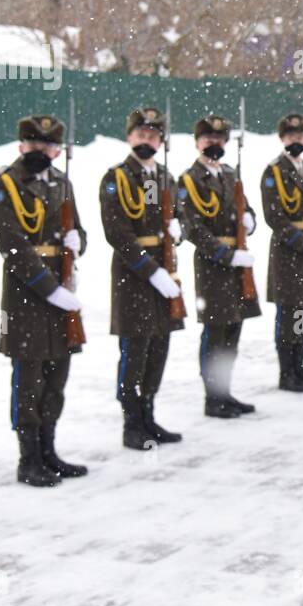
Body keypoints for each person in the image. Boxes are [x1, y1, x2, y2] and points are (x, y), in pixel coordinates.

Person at [0, 114, 89, 486]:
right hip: (24, 296)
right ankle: (28, 458)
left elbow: (79, 229)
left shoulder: (62, 183)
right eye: (33, 144)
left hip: (61, 292)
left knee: (55, 378)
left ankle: (49, 449)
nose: (40, 152)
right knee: (27, 378)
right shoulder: (5, 184)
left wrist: (79, 241)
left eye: (47, 146)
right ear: (20, 146)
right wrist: (51, 290)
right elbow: (12, 245)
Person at [99, 107, 185, 448]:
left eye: (153, 136)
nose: (147, 141)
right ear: (129, 137)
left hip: (167, 270)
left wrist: (181, 228)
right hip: (133, 276)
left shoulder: (166, 177)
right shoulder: (115, 178)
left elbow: (182, 216)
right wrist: (151, 272)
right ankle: (131, 423)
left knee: (158, 347)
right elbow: (117, 233)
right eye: (141, 134)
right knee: (134, 350)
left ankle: (149, 415)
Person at [176, 113, 261, 418]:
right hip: (213, 264)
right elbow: (192, 228)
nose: (214, 144)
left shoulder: (230, 173)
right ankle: (213, 397)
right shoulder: (187, 180)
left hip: (238, 263)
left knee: (233, 330)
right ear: (197, 142)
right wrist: (225, 255)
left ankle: (225, 391)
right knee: (215, 332)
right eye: (208, 139)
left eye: (219, 139)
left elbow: (244, 206)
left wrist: (250, 220)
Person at [260, 113, 303, 392]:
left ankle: (300, 368)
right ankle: (286, 372)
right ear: (282, 138)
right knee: (289, 314)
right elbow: (274, 218)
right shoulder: (273, 171)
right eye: (291, 136)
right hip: (288, 253)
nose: (296, 140)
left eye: (300, 136)